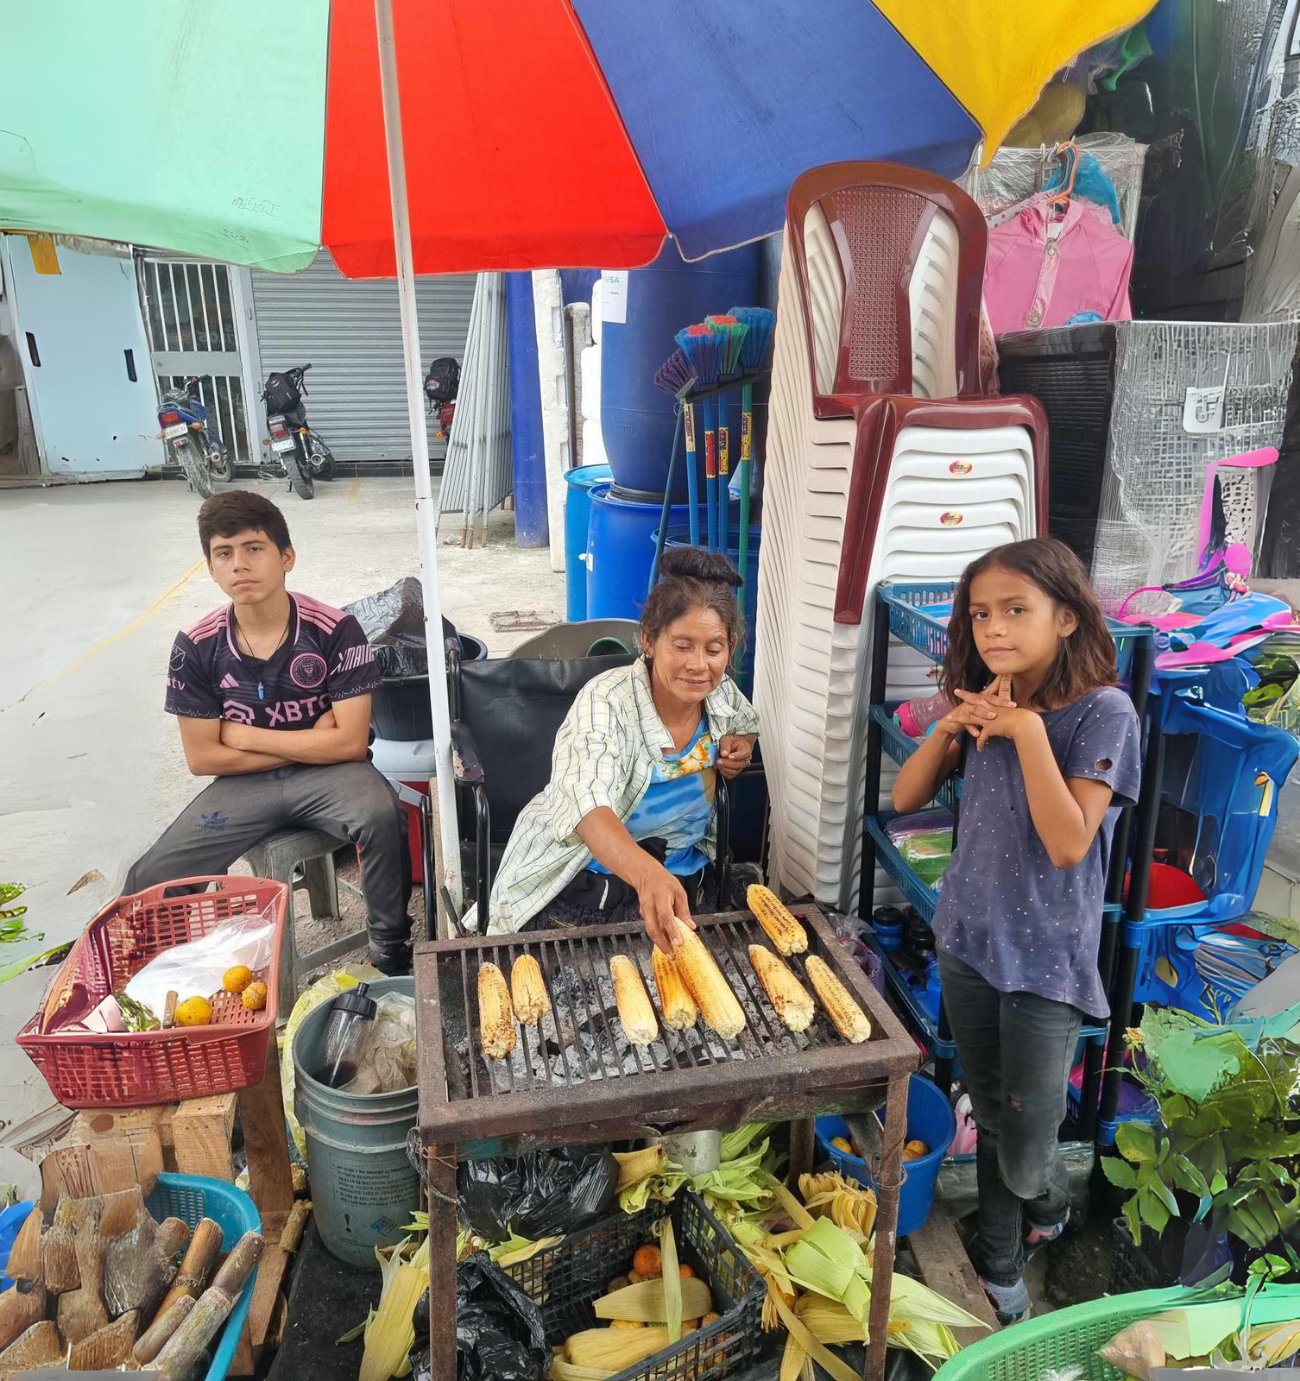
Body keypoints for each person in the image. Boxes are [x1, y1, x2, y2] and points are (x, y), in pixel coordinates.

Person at [892, 537, 1141, 1323]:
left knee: (1023, 1132)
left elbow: (1070, 842)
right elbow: (903, 798)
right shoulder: (984, 700)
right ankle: (1019, 1238)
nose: (994, 627)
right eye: (980, 612)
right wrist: (952, 727)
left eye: (1015, 610)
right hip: (968, 938)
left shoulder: (1104, 712)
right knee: (996, 1112)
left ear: (1067, 617)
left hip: (1046, 963)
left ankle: (1023, 1233)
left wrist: (1026, 731)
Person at [124, 490, 413, 975]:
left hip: (332, 777)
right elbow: (203, 760)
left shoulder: (335, 630)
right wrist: (309, 743)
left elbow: (349, 744)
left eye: (254, 548)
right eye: (224, 553)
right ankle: (150, 973)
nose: (240, 564)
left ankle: (390, 950)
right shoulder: (195, 646)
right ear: (211, 568)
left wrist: (243, 736)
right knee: (152, 877)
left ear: (286, 557)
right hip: (245, 786)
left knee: (382, 816)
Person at [486, 547, 759, 953]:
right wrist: (647, 875)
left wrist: (741, 749)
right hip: (585, 881)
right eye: (682, 646)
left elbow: (745, 725)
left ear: (730, 647)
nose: (698, 665)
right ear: (649, 640)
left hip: (682, 877)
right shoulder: (605, 701)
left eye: (713, 649)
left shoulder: (723, 697)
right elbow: (587, 807)